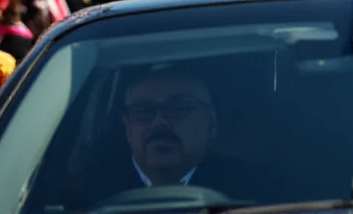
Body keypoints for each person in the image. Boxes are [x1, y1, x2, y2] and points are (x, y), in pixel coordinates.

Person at [71, 65, 248, 206]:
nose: (159, 122)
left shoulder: (250, 188)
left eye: (178, 109)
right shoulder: (86, 195)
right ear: (126, 127)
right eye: (143, 111)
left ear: (211, 122)